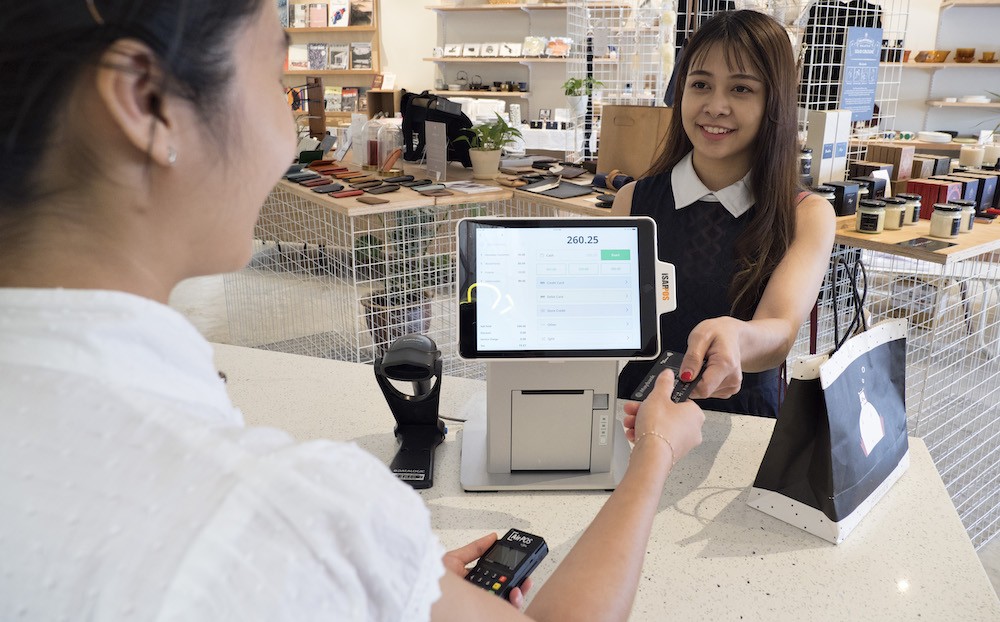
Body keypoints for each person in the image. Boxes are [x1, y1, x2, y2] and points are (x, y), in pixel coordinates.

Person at [0, 2, 705, 620]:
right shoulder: (282, 508)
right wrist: (657, 455)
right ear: (147, 103)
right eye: (274, 81)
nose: (290, 135)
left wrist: (372, 581)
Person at [612, 10, 836, 419]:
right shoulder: (632, 201)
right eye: (700, 84)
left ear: (775, 101)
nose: (715, 106)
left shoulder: (806, 215)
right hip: (635, 407)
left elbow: (781, 329)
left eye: (741, 89)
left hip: (743, 418)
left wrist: (738, 335)